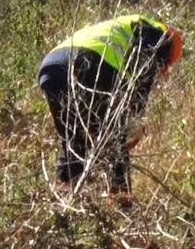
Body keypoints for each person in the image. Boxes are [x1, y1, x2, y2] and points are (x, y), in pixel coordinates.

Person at [37, 15, 182, 195]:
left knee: (73, 140)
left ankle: (63, 201)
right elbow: (145, 65)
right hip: (89, 62)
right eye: (166, 64)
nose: (162, 70)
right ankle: (121, 203)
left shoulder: (124, 25)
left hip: (50, 68)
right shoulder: (160, 35)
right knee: (113, 139)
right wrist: (134, 115)